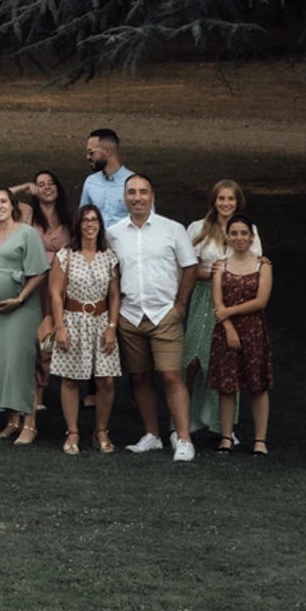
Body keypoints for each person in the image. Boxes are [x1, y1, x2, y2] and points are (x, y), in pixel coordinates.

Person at [107, 175, 199, 461]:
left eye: (143, 192)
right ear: (125, 197)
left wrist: (180, 306)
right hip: (130, 315)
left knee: (171, 375)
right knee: (139, 378)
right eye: (132, 192)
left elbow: (190, 267)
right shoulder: (113, 233)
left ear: (152, 195)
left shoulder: (172, 229)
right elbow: (112, 274)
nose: (137, 197)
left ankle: (183, 438)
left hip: (164, 314)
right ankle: (152, 435)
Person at [0, 186, 55, 446]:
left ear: (12, 205)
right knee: (1, 364)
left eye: (2, 201)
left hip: (21, 309)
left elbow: (40, 272)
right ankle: (12, 421)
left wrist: (20, 298)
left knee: (21, 365)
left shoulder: (27, 233)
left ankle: (30, 423)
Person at [183, 179, 258, 438]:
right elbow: (187, 268)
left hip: (234, 302)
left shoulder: (247, 230)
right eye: (221, 199)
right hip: (203, 299)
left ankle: (223, 427)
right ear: (214, 201)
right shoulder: (198, 228)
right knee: (191, 361)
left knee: (227, 364)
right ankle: (183, 424)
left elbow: (255, 267)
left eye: (231, 199)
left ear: (238, 202)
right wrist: (212, 274)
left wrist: (228, 278)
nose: (226, 204)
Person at [49, 203, 121, 455]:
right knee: (70, 379)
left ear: (100, 225)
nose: (90, 224)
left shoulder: (108, 257)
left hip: (101, 322)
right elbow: (56, 293)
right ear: (78, 225)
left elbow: (114, 296)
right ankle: (72, 432)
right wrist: (60, 327)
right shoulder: (66, 255)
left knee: (107, 380)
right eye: (85, 220)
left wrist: (112, 327)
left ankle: (101, 430)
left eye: (94, 220)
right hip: (73, 320)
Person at [207, 216, 273, 455]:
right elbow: (217, 300)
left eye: (244, 233)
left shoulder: (263, 266)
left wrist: (229, 312)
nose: (239, 238)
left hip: (254, 329)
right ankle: (225, 437)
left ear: (252, 237)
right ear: (228, 237)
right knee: (227, 386)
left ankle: (260, 440)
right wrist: (228, 325)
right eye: (234, 233)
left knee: (258, 385)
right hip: (226, 331)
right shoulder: (220, 266)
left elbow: (261, 300)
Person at [81, 128, 134, 227]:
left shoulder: (134, 182)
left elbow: (148, 219)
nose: (88, 157)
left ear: (107, 151)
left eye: (91, 152)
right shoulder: (90, 182)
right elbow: (82, 217)